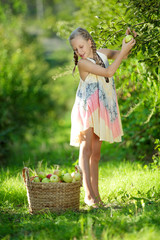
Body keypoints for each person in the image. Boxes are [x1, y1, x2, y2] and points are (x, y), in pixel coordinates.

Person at [69, 27, 137, 207]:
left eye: (81, 47)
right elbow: (108, 73)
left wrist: (128, 42)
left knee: (96, 154)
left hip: (102, 108)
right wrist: (122, 52)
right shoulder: (83, 64)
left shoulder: (103, 54)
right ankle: (88, 195)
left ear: (90, 41)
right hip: (88, 108)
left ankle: (97, 197)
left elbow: (124, 55)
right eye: (76, 50)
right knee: (86, 150)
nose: (79, 52)